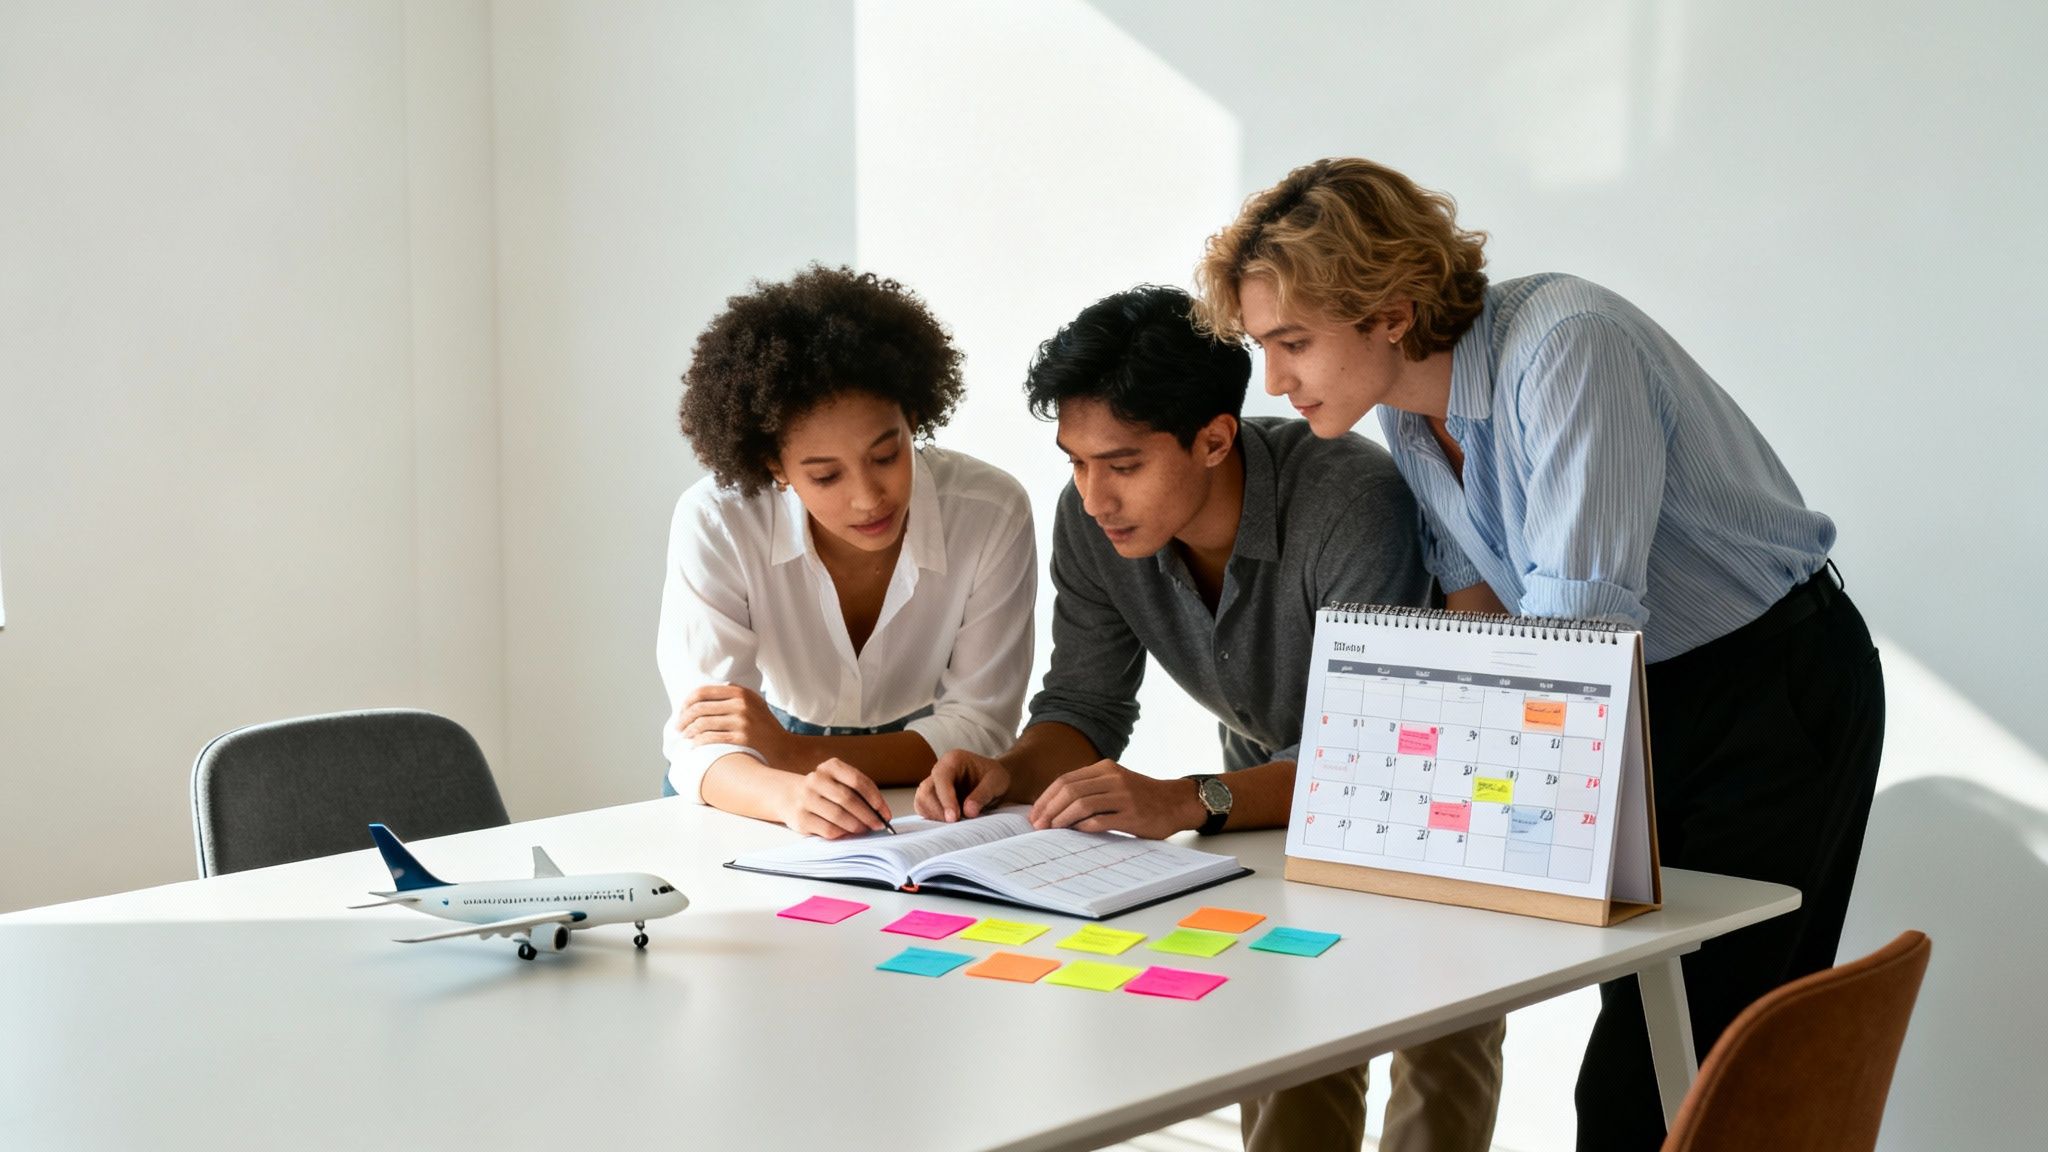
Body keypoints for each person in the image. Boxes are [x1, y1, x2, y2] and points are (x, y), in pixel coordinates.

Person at [1192, 157, 1887, 1150]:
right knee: (1644, 1046)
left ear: (1388, 310)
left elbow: (1570, 637)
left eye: (1291, 342)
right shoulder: (1406, 413)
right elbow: (1480, 620)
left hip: (1767, 684)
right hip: (1640, 696)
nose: (1275, 379)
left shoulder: (1567, 347)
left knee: (1710, 1051)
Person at [915, 284, 1505, 1152]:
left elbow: (1371, 756)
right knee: (1290, 1046)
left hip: (1434, 794)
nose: (1094, 496)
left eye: (1121, 465)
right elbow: (1083, 704)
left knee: (1440, 1038)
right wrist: (1014, 768)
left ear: (1215, 438)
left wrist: (1191, 800)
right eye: (1075, 462)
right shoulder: (1091, 523)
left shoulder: (1350, 502)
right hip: (1268, 796)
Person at [657, 264, 1036, 840]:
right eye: (826, 476)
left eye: (887, 456)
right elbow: (702, 747)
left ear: (914, 417)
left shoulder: (990, 511)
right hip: (755, 784)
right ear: (774, 467)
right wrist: (788, 789)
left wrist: (792, 750)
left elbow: (982, 726)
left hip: (926, 775)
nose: (868, 498)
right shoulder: (719, 520)